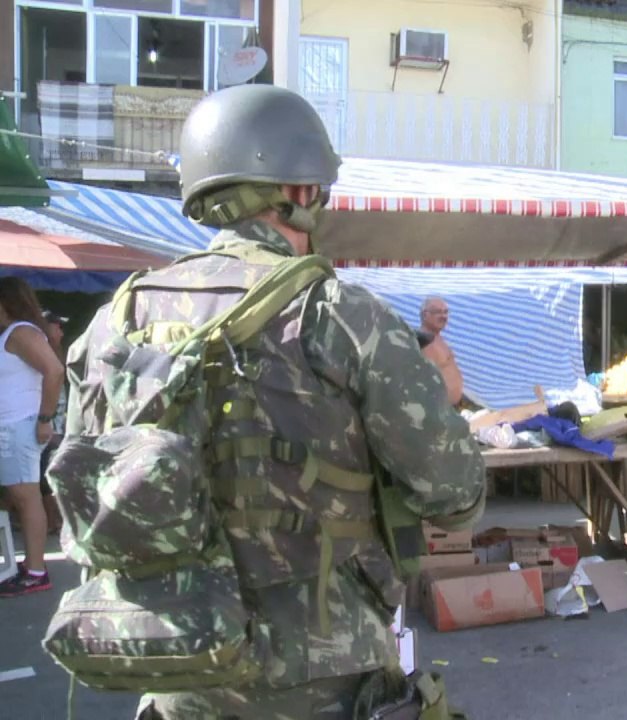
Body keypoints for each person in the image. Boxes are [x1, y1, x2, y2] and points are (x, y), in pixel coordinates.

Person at [58, 84, 485, 718]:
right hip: (321, 670)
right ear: (303, 191)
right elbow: (454, 494)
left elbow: (78, 484)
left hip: (178, 660)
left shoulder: (115, 320)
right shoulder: (341, 317)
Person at [0, 279, 64, 598]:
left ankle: (36, 571)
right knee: (20, 496)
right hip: (14, 425)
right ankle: (30, 566)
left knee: (26, 498)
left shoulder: (22, 332)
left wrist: (44, 418)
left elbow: (55, 371)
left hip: (20, 425)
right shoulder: (14, 334)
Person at [39, 310, 70, 536]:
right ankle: (52, 521)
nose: (61, 332)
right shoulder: (39, 352)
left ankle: (55, 520)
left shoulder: (55, 352)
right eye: (57, 326)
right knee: (45, 475)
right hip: (47, 426)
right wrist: (47, 422)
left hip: (58, 425)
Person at [419, 296, 465, 406]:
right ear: (425, 315)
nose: (444, 316)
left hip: (450, 408)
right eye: (438, 312)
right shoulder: (422, 342)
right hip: (436, 408)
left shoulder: (438, 338)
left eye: (446, 312)